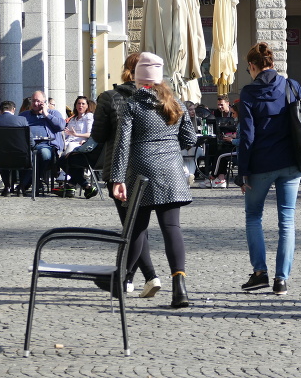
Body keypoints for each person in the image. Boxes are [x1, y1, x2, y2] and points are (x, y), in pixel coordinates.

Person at [110, 52, 197, 308]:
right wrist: (170, 146)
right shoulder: (175, 102)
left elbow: (122, 144)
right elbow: (191, 139)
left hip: (141, 170)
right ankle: (179, 286)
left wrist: (117, 178)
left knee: (137, 228)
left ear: (138, 78)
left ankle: (122, 279)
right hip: (171, 169)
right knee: (172, 229)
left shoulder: (132, 104)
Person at [238, 42, 301, 296]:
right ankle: (281, 279)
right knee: (287, 221)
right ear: (272, 62)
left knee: (253, 217)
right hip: (291, 163)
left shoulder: (248, 93)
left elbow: (247, 136)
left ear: (252, 66)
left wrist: (242, 170)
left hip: (260, 164)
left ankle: (260, 273)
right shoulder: (292, 86)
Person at [91, 52, 161, 297]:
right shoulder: (162, 98)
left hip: (118, 170)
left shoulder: (110, 97)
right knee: (137, 228)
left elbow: (98, 136)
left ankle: (137, 277)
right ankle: (144, 277)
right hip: (152, 169)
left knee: (131, 228)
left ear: (126, 70)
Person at [19, 90, 66, 195]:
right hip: (27, 145)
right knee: (24, 156)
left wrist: (46, 114)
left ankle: (29, 181)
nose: (35, 104)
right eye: (33, 101)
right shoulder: (24, 115)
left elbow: (61, 126)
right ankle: (34, 181)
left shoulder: (53, 113)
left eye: (38, 101)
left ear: (44, 102)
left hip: (47, 145)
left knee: (44, 155)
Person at [55, 96, 99, 199]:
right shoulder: (73, 119)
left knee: (63, 160)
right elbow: (68, 134)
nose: (80, 106)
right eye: (79, 103)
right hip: (71, 144)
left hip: (81, 146)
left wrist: (76, 135)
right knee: (66, 153)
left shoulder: (89, 116)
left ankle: (67, 181)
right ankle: (82, 186)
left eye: (83, 104)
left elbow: (90, 134)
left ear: (87, 106)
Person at [0, 100, 29, 195]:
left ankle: (7, 186)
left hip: (0, 158)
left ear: (1, 110)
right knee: (30, 159)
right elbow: (30, 141)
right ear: (14, 109)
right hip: (20, 157)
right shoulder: (22, 120)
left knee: (1, 158)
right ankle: (21, 186)